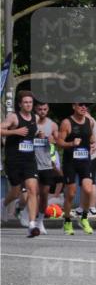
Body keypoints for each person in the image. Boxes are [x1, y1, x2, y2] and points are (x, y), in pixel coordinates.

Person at [1, 91, 42, 237]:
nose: (28, 105)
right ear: (20, 104)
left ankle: (32, 225)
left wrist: (40, 135)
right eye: (25, 102)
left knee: (32, 189)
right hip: (13, 159)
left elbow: (32, 133)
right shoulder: (13, 117)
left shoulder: (36, 117)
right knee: (16, 192)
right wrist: (15, 131)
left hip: (29, 160)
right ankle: (3, 204)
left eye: (30, 102)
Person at [55, 102, 96, 235]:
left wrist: (93, 144)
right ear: (74, 106)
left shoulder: (89, 121)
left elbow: (91, 137)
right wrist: (71, 143)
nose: (84, 107)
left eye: (86, 105)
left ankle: (84, 218)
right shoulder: (67, 123)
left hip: (85, 161)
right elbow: (59, 142)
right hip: (70, 162)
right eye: (81, 105)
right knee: (71, 194)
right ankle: (67, 221)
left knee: (88, 189)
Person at [32, 100, 60, 234]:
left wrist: (53, 140)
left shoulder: (53, 125)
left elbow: (59, 141)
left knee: (44, 195)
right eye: (39, 109)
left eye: (44, 109)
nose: (42, 112)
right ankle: (31, 219)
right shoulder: (30, 123)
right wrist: (34, 135)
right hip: (31, 164)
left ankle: (40, 221)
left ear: (47, 110)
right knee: (33, 193)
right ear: (35, 109)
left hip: (46, 165)